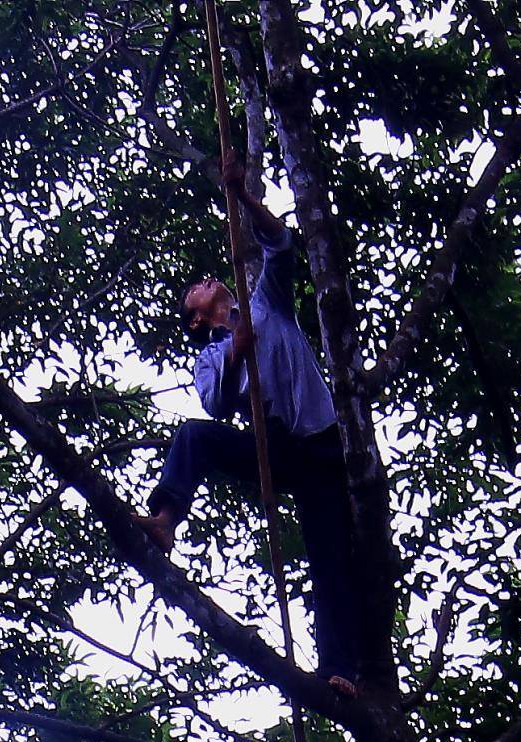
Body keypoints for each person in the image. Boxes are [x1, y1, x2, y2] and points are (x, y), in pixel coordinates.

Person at [144, 157, 382, 697]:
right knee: (192, 435)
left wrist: (243, 196)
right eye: (193, 296)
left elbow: (281, 245)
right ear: (198, 319)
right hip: (272, 449)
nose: (203, 284)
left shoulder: (266, 306)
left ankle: (339, 670)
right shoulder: (212, 355)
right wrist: (235, 356)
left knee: (331, 557)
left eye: (203, 286)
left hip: (320, 446)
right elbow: (214, 405)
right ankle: (165, 518)